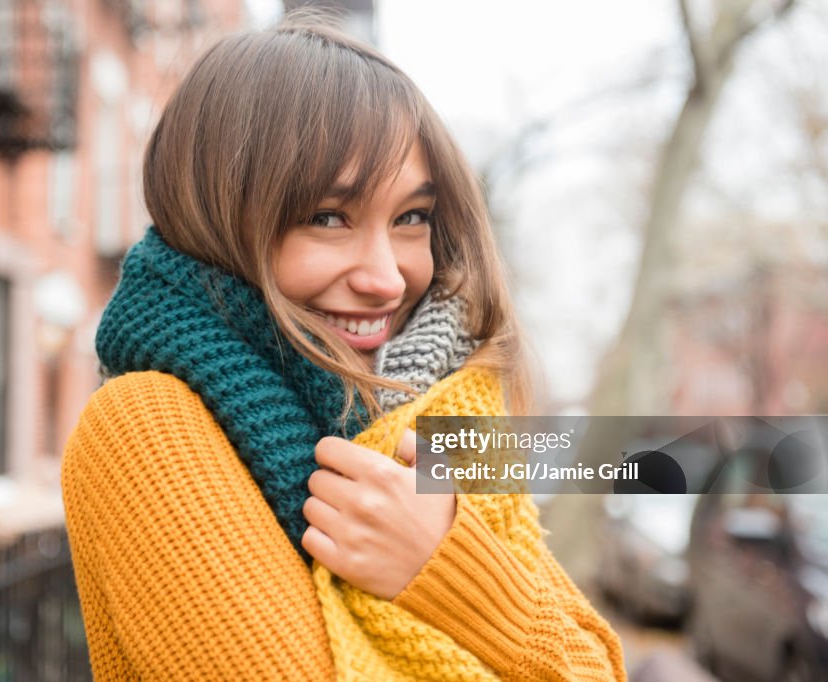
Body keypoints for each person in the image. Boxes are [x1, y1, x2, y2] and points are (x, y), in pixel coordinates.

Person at [61, 13, 627, 682]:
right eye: (329, 218)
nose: (387, 279)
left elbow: (598, 665)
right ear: (220, 215)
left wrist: (447, 565)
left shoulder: (439, 421)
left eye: (411, 218)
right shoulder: (145, 426)